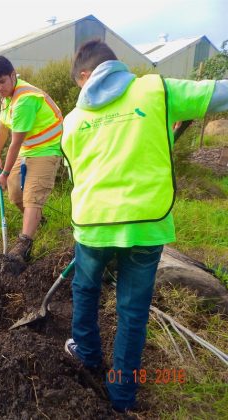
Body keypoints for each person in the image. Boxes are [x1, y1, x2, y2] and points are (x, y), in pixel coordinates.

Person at [61, 39, 228, 412]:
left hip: (93, 224)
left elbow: (76, 174)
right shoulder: (158, 89)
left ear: (85, 76)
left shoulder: (72, 120)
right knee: (132, 312)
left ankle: (87, 356)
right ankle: (121, 394)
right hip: (145, 224)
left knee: (85, 291)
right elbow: (221, 95)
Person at [0, 56, 63, 262]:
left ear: (12, 75)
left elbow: (15, 143)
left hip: (46, 149)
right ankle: (38, 219)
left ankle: (23, 245)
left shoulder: (25, 100)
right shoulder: (7, 98)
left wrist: (5, 173)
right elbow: (2, 127)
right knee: (15, 195)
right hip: (28, 148)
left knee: (32, 198)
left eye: (2, 82)